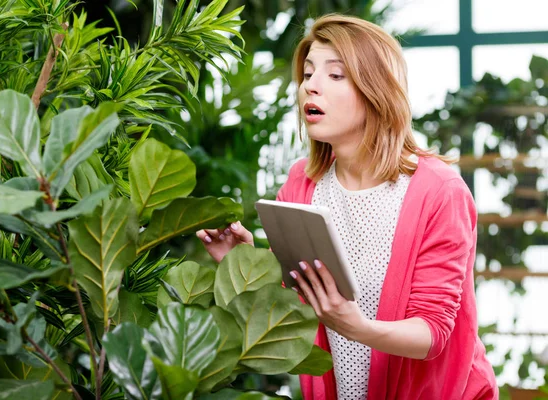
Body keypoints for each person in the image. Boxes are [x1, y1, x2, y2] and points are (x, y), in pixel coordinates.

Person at [196, 14, 498, 400]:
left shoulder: (438, 191)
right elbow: (301, 292)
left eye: (335, 75)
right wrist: (242, 262)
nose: (311, 86)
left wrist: (356, 327)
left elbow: (432, 332)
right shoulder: (301, 183)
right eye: (307, 74)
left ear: (376, 91)